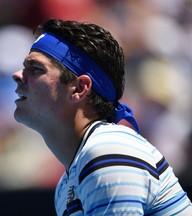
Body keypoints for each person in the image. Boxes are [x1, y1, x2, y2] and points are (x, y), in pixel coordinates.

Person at [12, 18, 192, 215]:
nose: (17, 75)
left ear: (79, 89)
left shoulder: (107, 151)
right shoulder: (66, 185)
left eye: (36, 68)